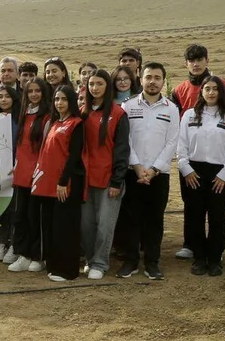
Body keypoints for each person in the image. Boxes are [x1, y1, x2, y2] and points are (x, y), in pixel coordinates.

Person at [116, 62, 179, 280]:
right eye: (148, 77)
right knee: (131, 219)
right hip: (133, 173)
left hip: (158, 175)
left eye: (157, 77)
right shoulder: (128, 106)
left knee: (155, 220)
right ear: (140, 79)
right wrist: (137, 166)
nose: (152, 81)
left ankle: (152, 262)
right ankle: (131, 261)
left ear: (163, 81)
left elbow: (172, 142)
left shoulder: (171, 109)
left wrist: (153, 169)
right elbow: (125, 140)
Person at [177, 77, 225, 277]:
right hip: (193, 172)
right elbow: (182, 145)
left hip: (220, 174)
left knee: (217, 217)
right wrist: (185, 168)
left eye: (215, 89)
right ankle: (199, 258)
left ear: (221, 93)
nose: (211, 93)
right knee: (195, 215)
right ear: (202, 92)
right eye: (207, 89)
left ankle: (214, 259)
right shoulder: (189, 115)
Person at [31, 85, 85, 281]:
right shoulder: (54, 123)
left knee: (66, 228)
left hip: (65, 184)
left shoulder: (76, 123)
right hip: (48, 185)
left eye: (63, 99)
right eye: (56, 99)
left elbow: (74, 156)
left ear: (71, 101)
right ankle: (54, 265)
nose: (59, 103)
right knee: (52, 227)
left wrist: (63, 181)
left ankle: (68, 270)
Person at [80, 69, 130, 279]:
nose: (95, 88)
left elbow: (121, 150)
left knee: (104, 226)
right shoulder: (82, 112)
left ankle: (100, 263)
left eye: (99, 84)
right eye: (91, 84)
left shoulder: (118, 114)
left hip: (109, 179)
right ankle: (90, 260)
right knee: (86, 225)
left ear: (107, 86)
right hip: (85, 179)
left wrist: (117, 181)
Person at [7, 76, 50, 272]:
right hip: (21, 174)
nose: (34, 94)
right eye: (30, 91)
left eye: (37, 91)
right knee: (20, 216)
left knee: (36, 218)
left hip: (38, 175)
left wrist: (39, 169)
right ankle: (22, 253)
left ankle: (37, 256)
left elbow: (47, 149)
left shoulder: (48, 117)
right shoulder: (23, 114)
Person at [0, 83, 21, 258]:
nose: (3, 100)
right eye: (0, 97)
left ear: (14, 99)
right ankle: (2, 243)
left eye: (7, 96)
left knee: (15, 210)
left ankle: (14, 245)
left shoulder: (21, 119)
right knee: (0, 209)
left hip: (16, 171)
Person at [171, 44, 225, 116]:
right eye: (191, 61)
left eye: (199, 60)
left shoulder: (223, 85)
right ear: (186, 64)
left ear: (207, 61)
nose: (195, 64)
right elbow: (172, 118)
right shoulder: (178, 91)